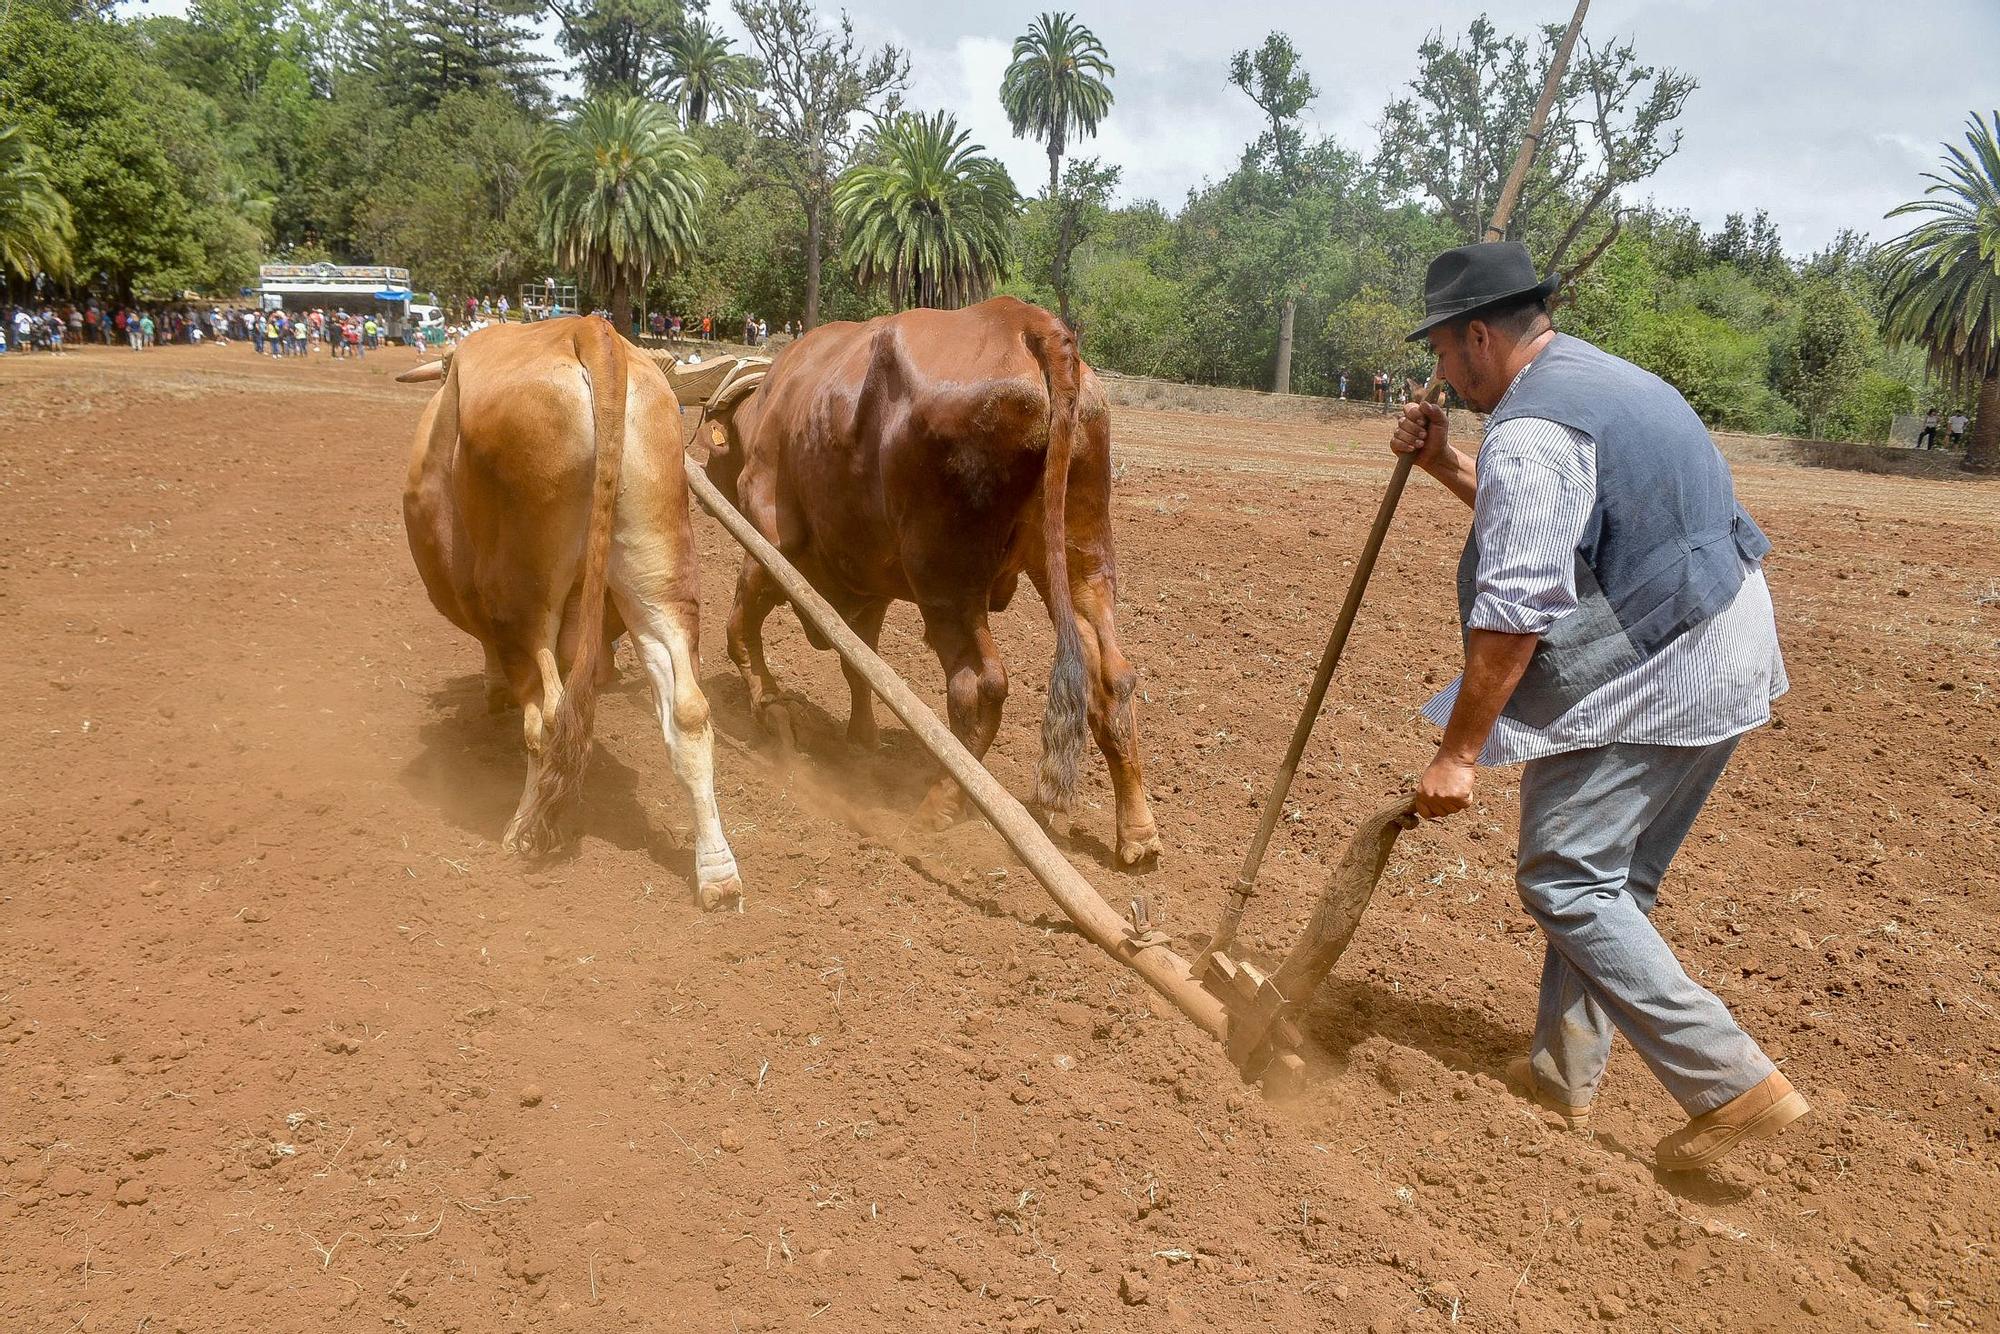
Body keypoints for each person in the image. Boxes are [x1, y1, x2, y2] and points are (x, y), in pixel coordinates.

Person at [1390, 240, 1808, 1172]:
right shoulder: (1603, 378)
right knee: (1612, 887)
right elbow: (1555, 531)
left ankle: (1730, 1081)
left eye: (1446, 355)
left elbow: (1515, 609)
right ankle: (1560, 1080)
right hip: (1728, 650)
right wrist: (1447, 464)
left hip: (1657, 670)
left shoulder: (1535, 431)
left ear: (1479, 335)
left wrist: (1459, 754)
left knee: (1565, 879)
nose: (1444, 377)